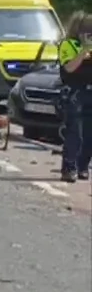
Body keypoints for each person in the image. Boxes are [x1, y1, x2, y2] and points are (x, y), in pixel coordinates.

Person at [59, 11, 92, 183]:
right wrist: (83, 53)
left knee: (89, 134)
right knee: (75, 133)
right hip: (75, 93)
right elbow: (69, 69)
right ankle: (68, 168)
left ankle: (83, 167)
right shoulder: (68, 45)